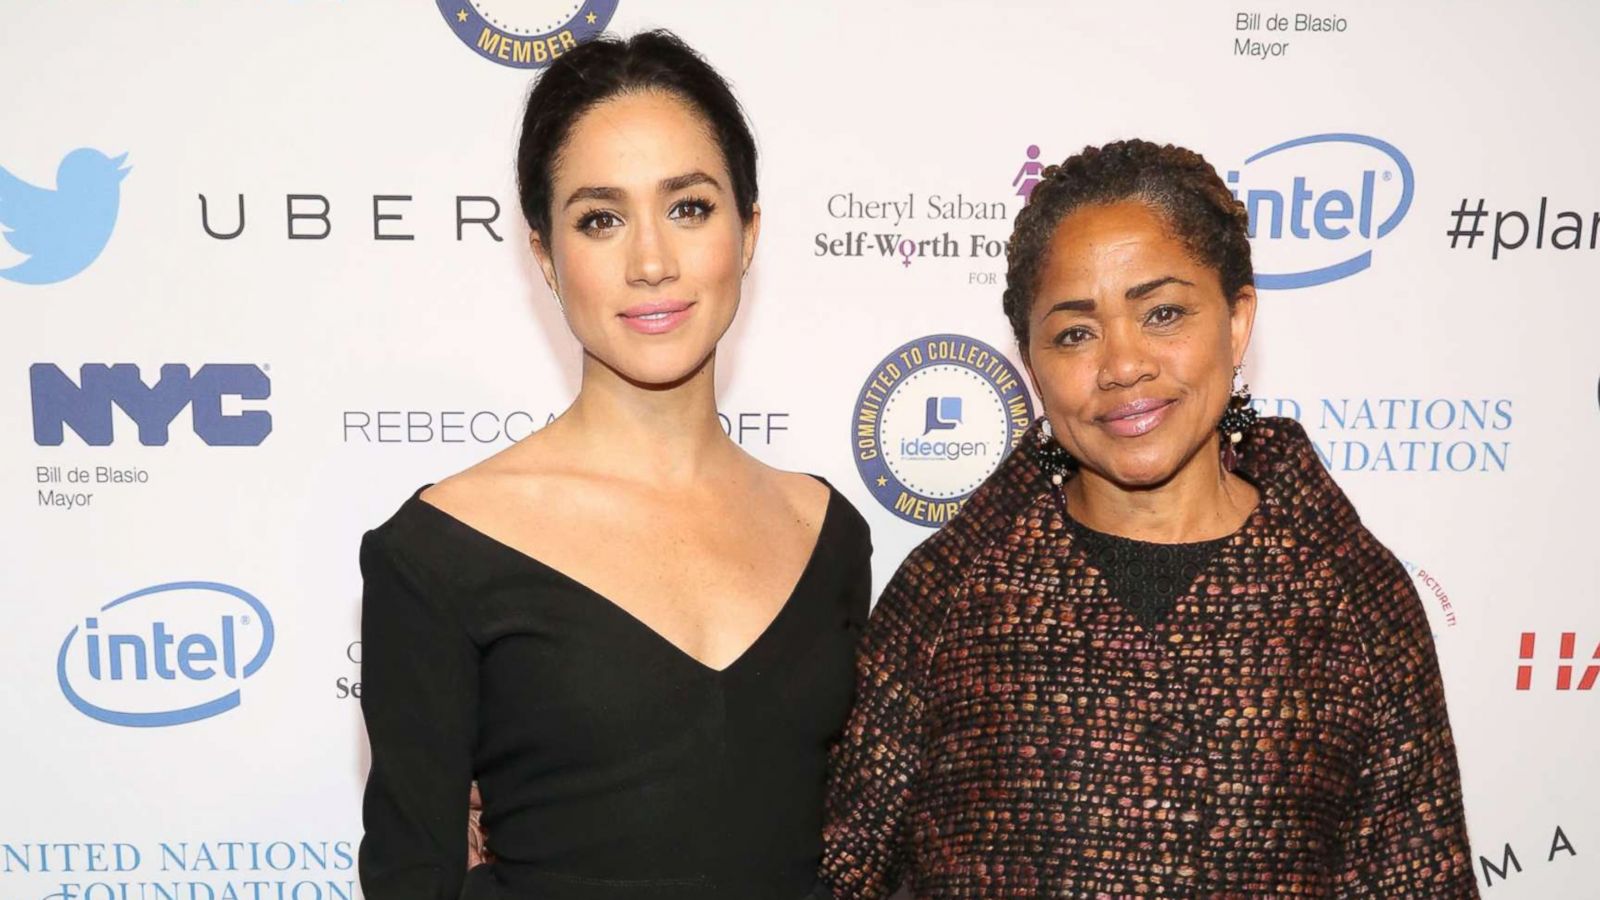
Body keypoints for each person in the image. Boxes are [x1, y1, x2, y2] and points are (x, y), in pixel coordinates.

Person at [818, 139, 1477, 897]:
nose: (1123, 365)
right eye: (1074, 333)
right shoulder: (947, 597)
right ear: (1031, 362)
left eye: (1162, 313)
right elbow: (844, 871)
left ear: (1236, 323)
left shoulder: (1356, 600)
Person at [357, 30, 871, 900]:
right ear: (546, 259)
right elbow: (413, 875)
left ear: (748, 234)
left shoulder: (826, 532)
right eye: (601, 218)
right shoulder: (437, 552)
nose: (651, 262)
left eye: (690, 207)